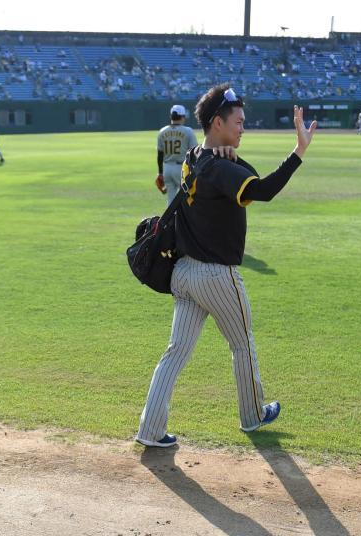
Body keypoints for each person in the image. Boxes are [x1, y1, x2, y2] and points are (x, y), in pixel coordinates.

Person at [136, 85, 317, 447]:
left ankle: (150, 430)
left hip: (183, 275)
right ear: (217, 122)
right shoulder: (219, 166)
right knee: (242, 342)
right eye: (238, 122)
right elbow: (263, 190)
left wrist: (225, 150)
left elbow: (221, 167)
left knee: (175, 352)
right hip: (216, 275)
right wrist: (299, 150)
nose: (243, 128)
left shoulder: (195, 155)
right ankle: (252, 416)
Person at [156, 104, 198, 203]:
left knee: (170, 200)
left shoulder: (162, 131)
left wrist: (160, 173)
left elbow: (160, 155)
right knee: (185, 199)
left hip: (167, 168)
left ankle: (170, 219)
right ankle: (181, 218)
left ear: (171, 116)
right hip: (182, 168)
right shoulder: (188, 131)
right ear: (183, 117)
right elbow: (194, 152)